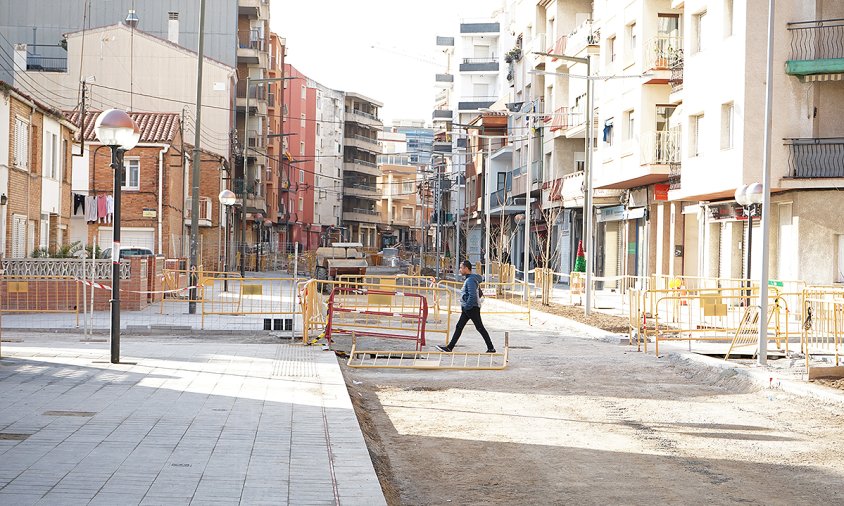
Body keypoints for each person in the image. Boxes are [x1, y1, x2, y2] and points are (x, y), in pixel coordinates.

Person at [436, 260, 496, 353]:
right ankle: (449, 347)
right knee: (460, 327)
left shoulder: (470, 280)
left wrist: (467, 306)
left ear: (466, 268)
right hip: (469, 308)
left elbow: (472, 295)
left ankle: (491, 348)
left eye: (461, 268)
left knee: (479, 327)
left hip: (471, 308)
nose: (460, 270)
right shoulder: (470, 279)